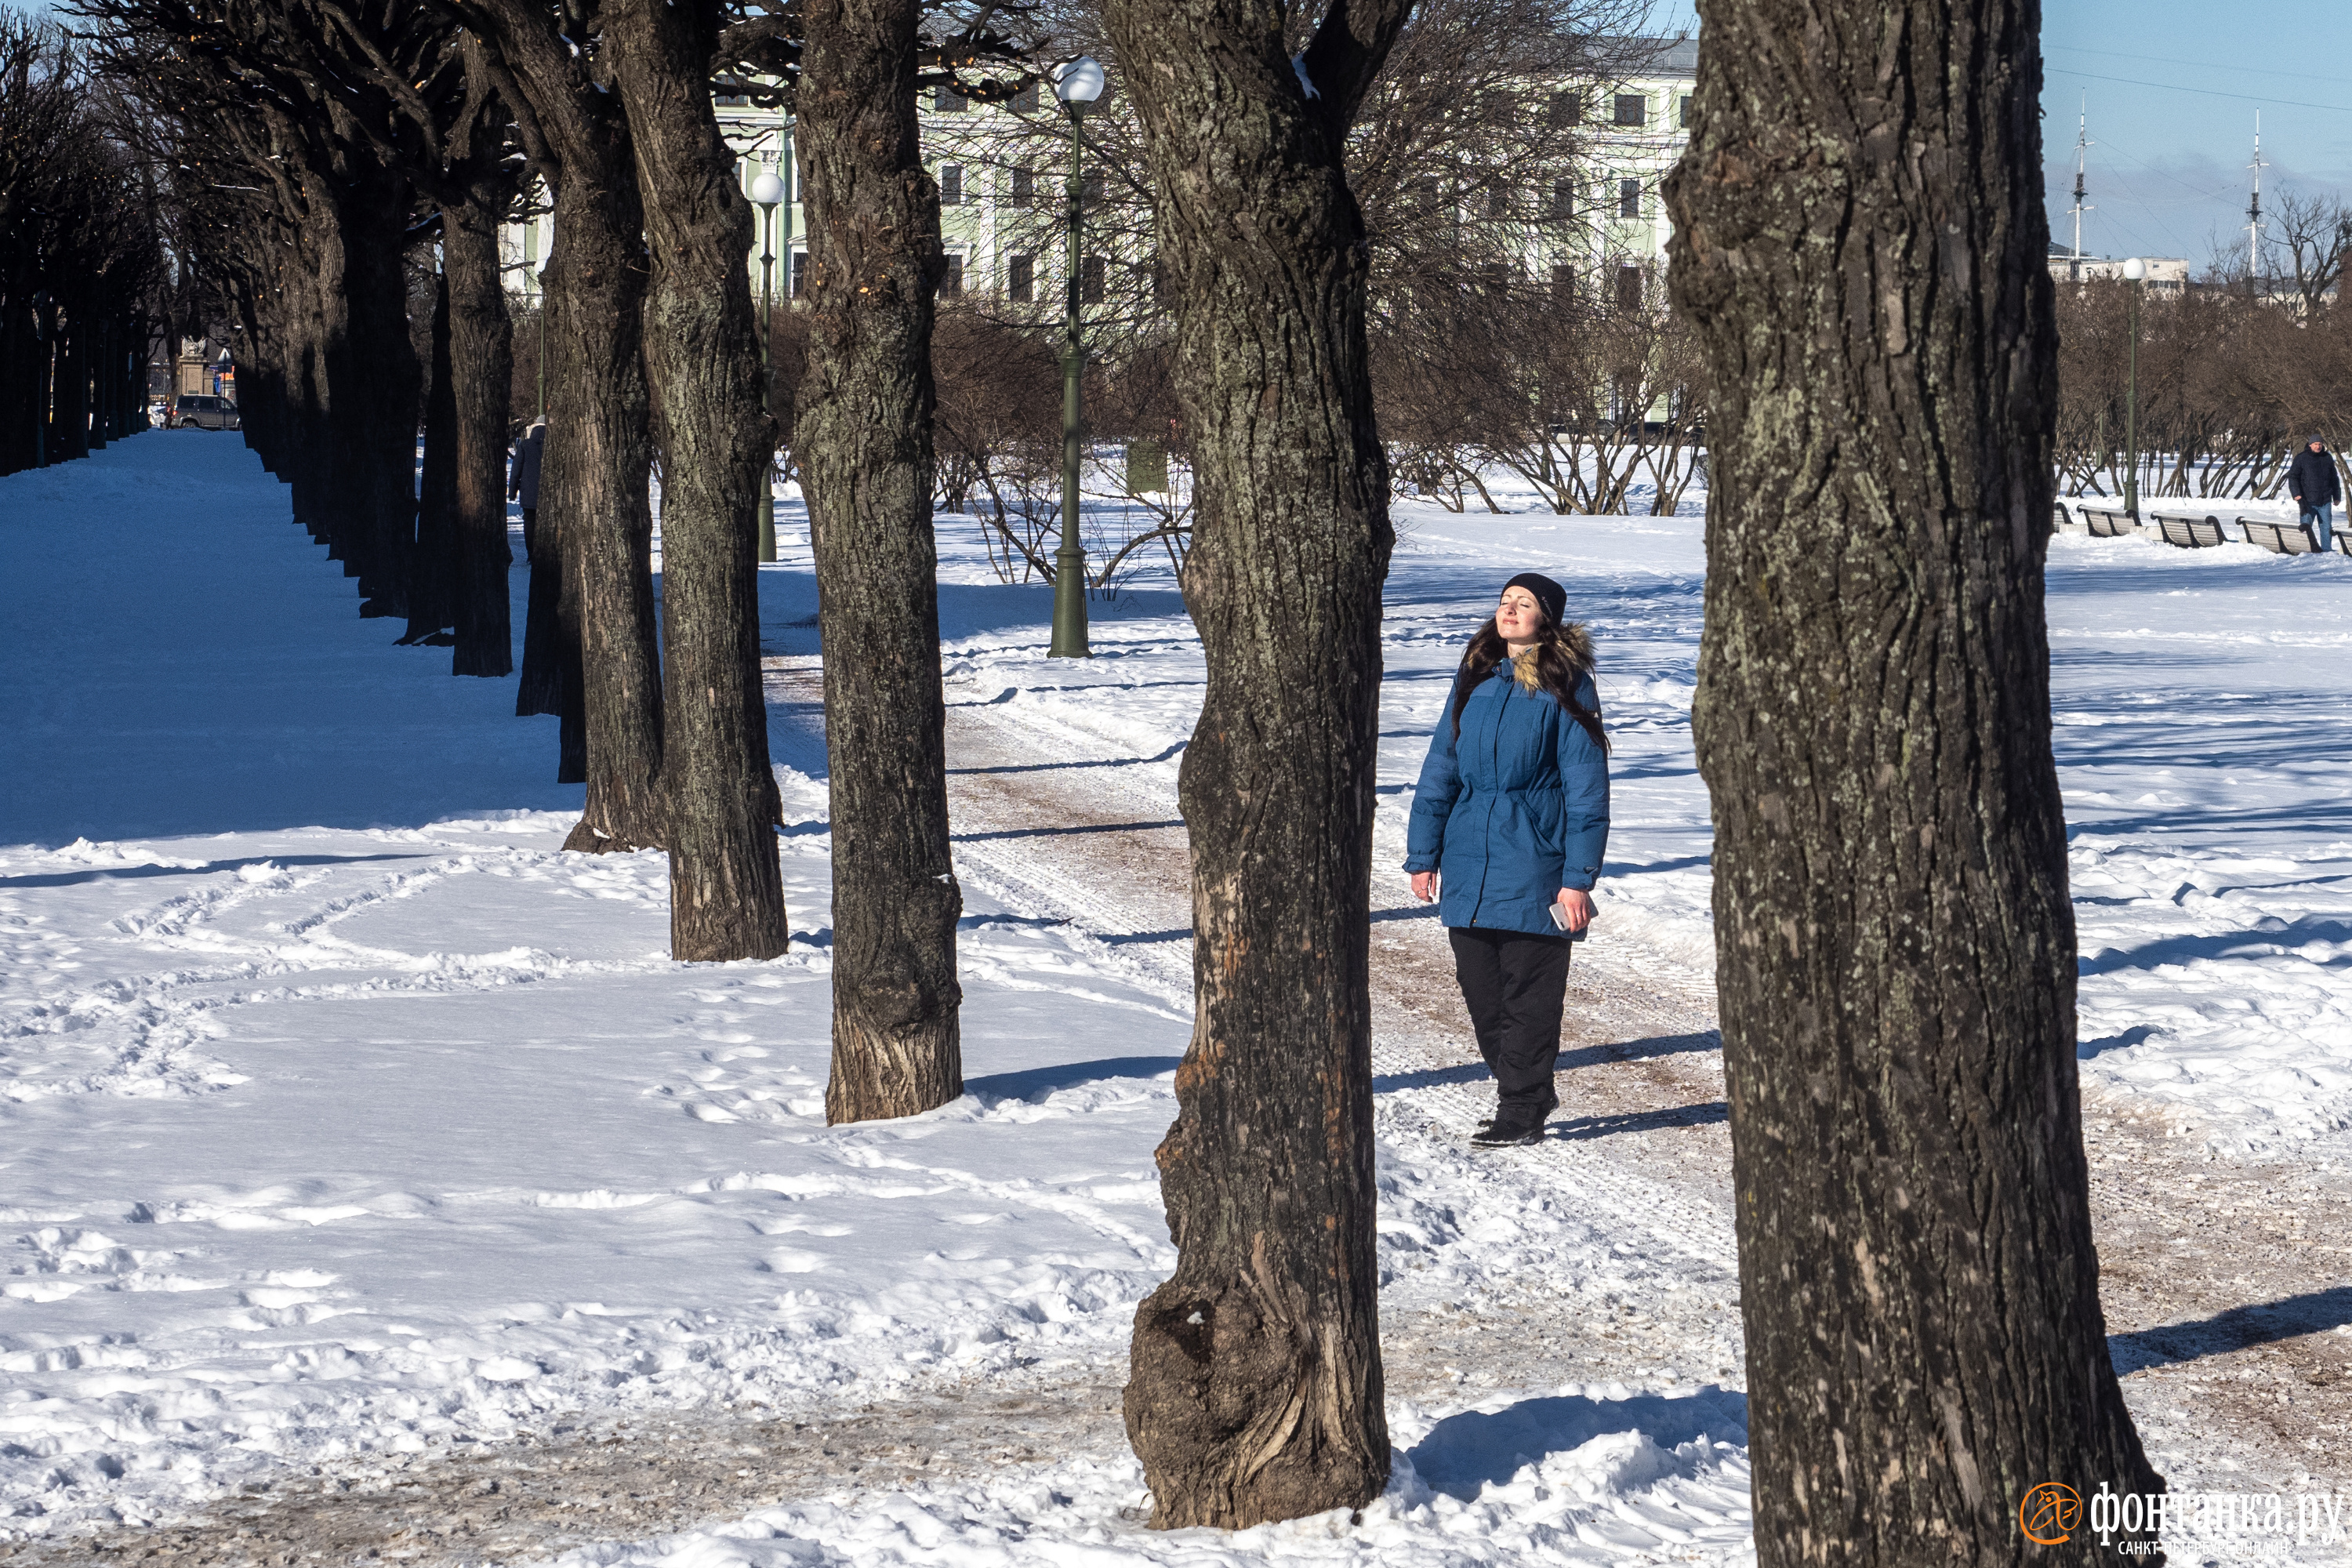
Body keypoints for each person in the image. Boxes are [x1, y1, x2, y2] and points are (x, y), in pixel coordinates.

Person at [1404, 572, 1610, 1148]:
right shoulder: (1475, 676)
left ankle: (1520, 1107)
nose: (1510, 610)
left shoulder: (1564, 683)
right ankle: (1528, 1090)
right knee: (1482, 993)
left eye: (1524, 604)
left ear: (1546, 619)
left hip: (1536, 863)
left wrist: (1577, 880)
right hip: (1468, 859)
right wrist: (1423, 854)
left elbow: (1588, 789)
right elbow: (1439, 767)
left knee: (1530, 999)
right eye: (1505, 602)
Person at [2288, 436, 2339, 552]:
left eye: (2320, 444)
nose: (2318, 446)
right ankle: (2306, 550)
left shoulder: (2327, 457)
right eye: (2315, 444)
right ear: (2310, 444)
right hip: (2307, 501)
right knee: (2306, 527)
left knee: (2326, 527)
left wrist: (2336, 496)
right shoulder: (2301, 458)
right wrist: (2297, 494)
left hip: (2325, 500)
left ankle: (2326, 551)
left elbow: (2334, 478)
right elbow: (2293, 477)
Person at [509, 417, 546, 552]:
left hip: (529, 492)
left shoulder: (526, 445)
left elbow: (516, 471)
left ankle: (531, 552)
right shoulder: (554, 445)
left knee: (530, 521)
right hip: (549, 494)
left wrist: (512, 492)